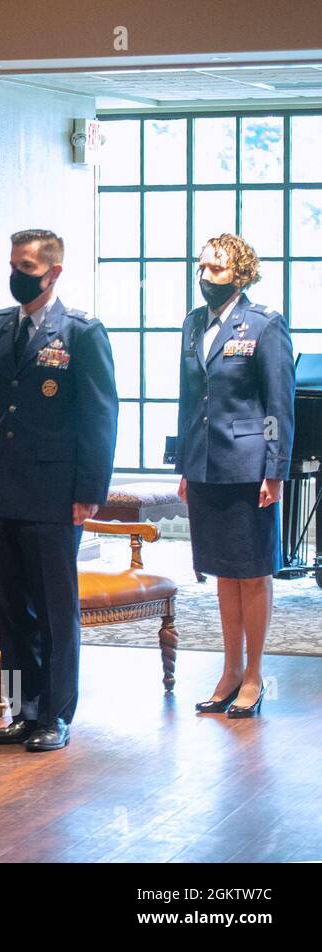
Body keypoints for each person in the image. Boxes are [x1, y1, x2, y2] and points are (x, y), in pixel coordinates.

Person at [0, 230, 119, 752]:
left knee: (55, 610)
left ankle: (55, 716)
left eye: (28, 266)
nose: (18, 274)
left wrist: (89, 490)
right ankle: (22, 710)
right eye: (14, 263)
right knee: (12, 609)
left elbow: (99, 415)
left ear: (54, 271)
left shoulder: (81, 332)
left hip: (57, 492)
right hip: (7, 491)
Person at [177, 233, 294, 719]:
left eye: (216, 270)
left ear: (241, 274)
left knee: (252, 574)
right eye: (201, 268)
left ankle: (254, 675)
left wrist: (276, 469)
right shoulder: (192, 324)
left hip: (248, 468)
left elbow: (278, 404)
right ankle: (228, 671)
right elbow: (189, 400)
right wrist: (184, 464)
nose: (205, 278)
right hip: (205, 465)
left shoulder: (264, 325)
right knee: (223, 573)